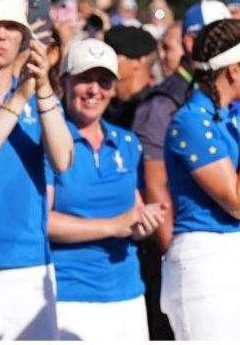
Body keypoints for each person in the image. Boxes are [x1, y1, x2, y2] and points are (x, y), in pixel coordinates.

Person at [161, 18, 240, 340]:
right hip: (207, 262)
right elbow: (239, 203)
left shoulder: (225, 117)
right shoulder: (190, 121)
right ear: (233, 70)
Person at [46, 38, 167, 340]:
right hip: (67, 295)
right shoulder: (47, 140)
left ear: (114, 89)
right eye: (84, 79)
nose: (94, 90)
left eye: (104, 81)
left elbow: (133, 215)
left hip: (127, 293)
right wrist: (114, 225)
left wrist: (144, 223)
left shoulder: (127, 142)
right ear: (63, 82)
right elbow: (41, 221)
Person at [132, 0, 231, 340]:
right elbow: (154, 184)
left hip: (218, 250)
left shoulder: (220, 94)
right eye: (220, 35)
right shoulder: (164, 102)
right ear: (191, 43)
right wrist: (176, 253)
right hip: (180, 254)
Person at [0, 0, 74, 340]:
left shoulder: (34, 90)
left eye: (11, 26)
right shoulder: (21, 94)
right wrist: (21, 96)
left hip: (28, 265)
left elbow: (62, 160)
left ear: (25, 36)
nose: (1, 34)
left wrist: (42, 87)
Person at [103, 25, 158, 128]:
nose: (105, 60)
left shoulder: (151, 109)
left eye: (114, 54)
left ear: (139, 61)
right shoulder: (105, 103)